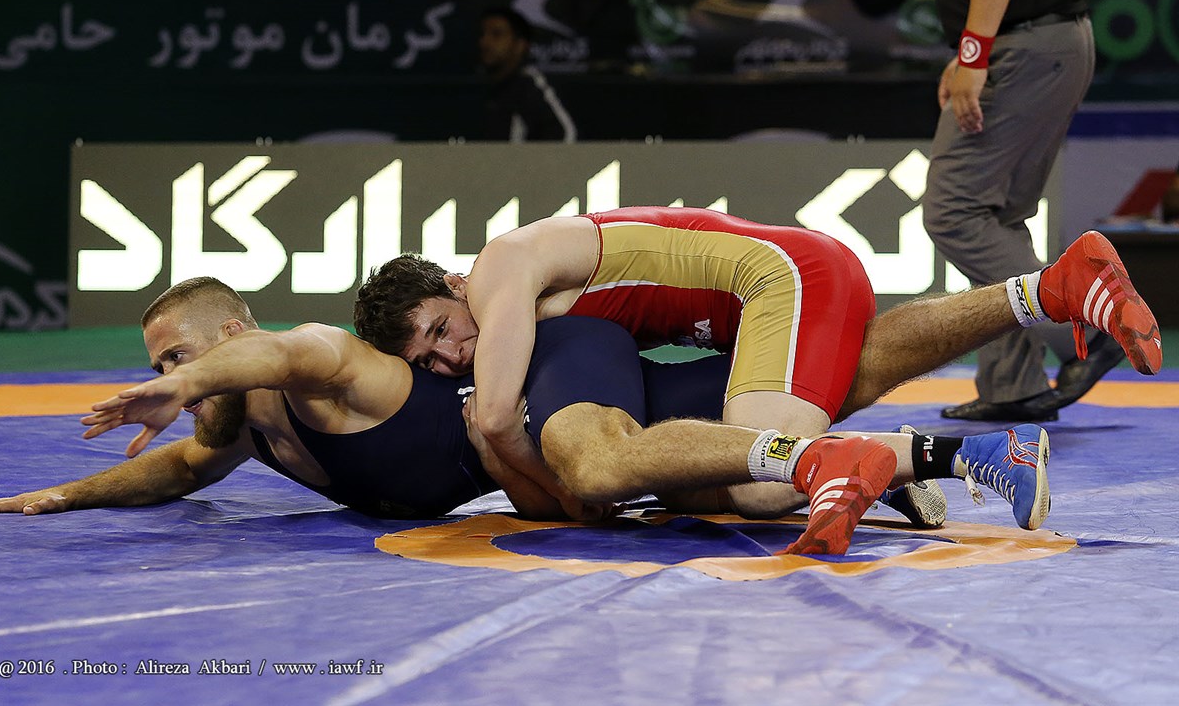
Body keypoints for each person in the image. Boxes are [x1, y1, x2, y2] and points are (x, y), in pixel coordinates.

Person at [0, 277, 1050, 555]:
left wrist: (181, 384)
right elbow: (179, 472)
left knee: (609, 476)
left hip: (557, 376)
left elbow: (282, 349)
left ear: (229, 335)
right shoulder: (238, 428)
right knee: (798, 415)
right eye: (159, 368)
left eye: (178, 358)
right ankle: (964, 443)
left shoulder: (312, 359)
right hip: (553, 416)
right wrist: (64, 494)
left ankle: (880, 448)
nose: (170, 378)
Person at [354, 206, 1160, 525]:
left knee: (760, 484)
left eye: (439, 329)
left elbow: (497, 414)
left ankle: (911, 459)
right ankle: (1049, 290)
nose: (451, 354)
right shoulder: (512, 304)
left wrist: (504, 442)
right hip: (777, 286)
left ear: (452, 284)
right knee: (840, 381)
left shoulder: (497, 271)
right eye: (428, 359)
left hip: (778, 279)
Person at [922, 0, 1119, 422]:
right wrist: (971, 49)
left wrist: (975, 53)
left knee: (956, 213)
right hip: (1043, 41)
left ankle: (1087, 336)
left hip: (1023, 48)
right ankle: (1014, 386)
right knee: (997, 218)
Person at [475, 6, 577, 143]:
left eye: (496, 34)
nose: (485, 42)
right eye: (482, 34)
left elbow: (565, 135)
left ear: (520, 45)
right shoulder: (482, 88)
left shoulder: (528, 84)